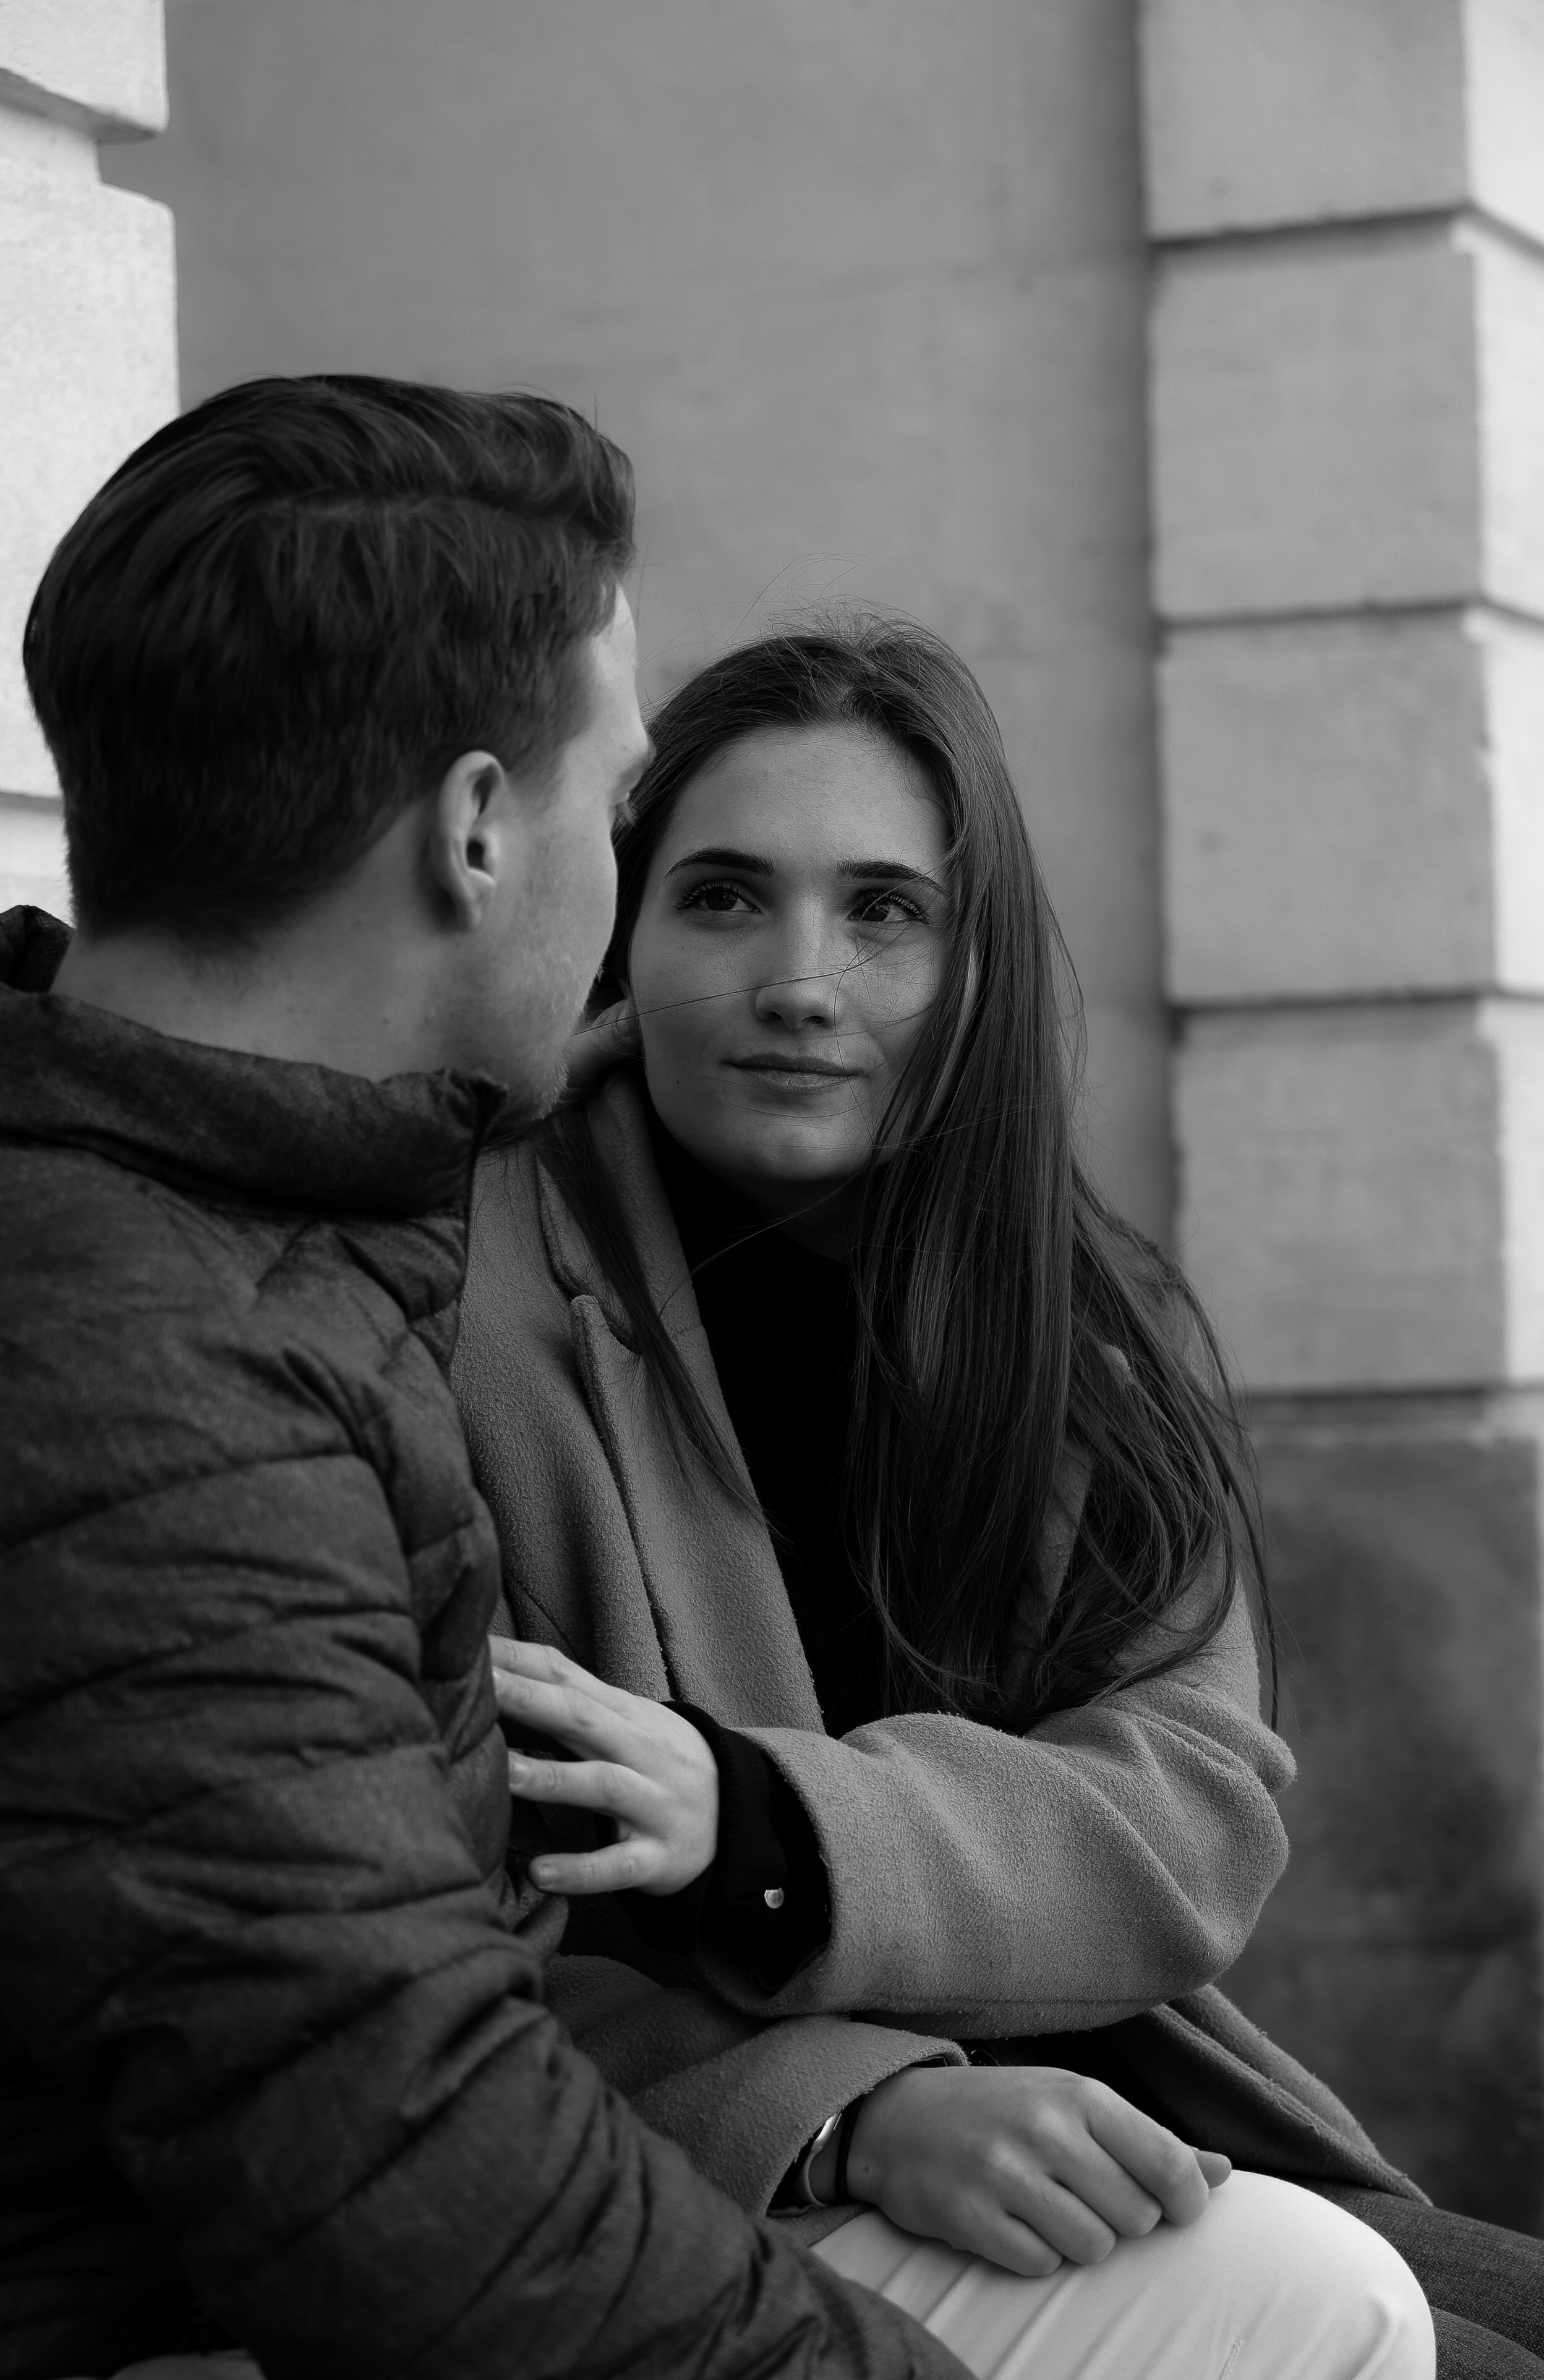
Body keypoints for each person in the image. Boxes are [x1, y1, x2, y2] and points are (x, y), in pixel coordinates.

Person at [0, 383, 996, 2380]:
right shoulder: (150, 1357)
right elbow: (418, 2190)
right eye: (625, 818)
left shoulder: (240, 1240)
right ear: (474, 827)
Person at [454, 622, 1446, 2378]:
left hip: (1094, 2113)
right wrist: (845, 2108)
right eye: (725, 898)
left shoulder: (1085, 1317)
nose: (801, 982)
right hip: (674, 2170)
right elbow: (398, 1935)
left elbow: (1191, 1813)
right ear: (621, 924)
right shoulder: (466, 1292)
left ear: (972, 960)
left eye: (883, 911)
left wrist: (768, 1826)